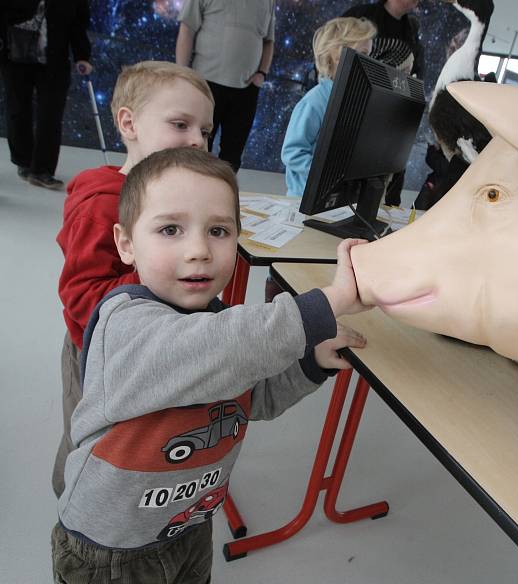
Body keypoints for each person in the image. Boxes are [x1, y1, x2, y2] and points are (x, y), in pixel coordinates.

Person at [52, 147, 369, 582]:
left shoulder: (219, 323)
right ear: (126, 245)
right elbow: (211, 350)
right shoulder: (123, 323)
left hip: (189, 522)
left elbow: (252, 399)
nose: (199, 250)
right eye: (170, 230)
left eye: (218, 230)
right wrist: (323, 306)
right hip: (112, 549)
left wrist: (310, 365)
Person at [52, 61, 215, 498]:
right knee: (90, 436)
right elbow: (83, 297)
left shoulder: (177, 199)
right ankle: (75, 497)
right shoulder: (100, 205)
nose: (197, 140)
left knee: (137, 436)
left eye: (205, 130)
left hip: (149, 346)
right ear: (129, 123)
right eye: (181, 124)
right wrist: (159, 278)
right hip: (98, 355)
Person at [0, 0, 92, 190]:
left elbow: (78, 23)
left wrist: (82, 55)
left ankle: (42, 170)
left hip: (54, 59)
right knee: (17, 109)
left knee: (51, 114)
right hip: (15, 55)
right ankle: (24, 161)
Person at [176, 0, 276, 172]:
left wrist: (262, 73)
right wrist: (182, 75)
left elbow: (269, 41)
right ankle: (188, 193)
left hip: (246, 90)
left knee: (233, 155)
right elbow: (187, 29)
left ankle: (222, 197)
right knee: (195, 149)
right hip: (205, 85)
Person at [281, 17, 376, 197]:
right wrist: (325, 175)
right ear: (337, 56)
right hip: (304, 199)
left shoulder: (353, 100)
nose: (368, 63)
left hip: (335, 198)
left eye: (369, 55)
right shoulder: (315, 102)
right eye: (363, 55)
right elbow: (292, 152)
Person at [343, 0, 424, 205]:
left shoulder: (412, 28)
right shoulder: (361, 14)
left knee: (389, 172)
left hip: (391, 112)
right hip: (358, 107)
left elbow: (417, 71)